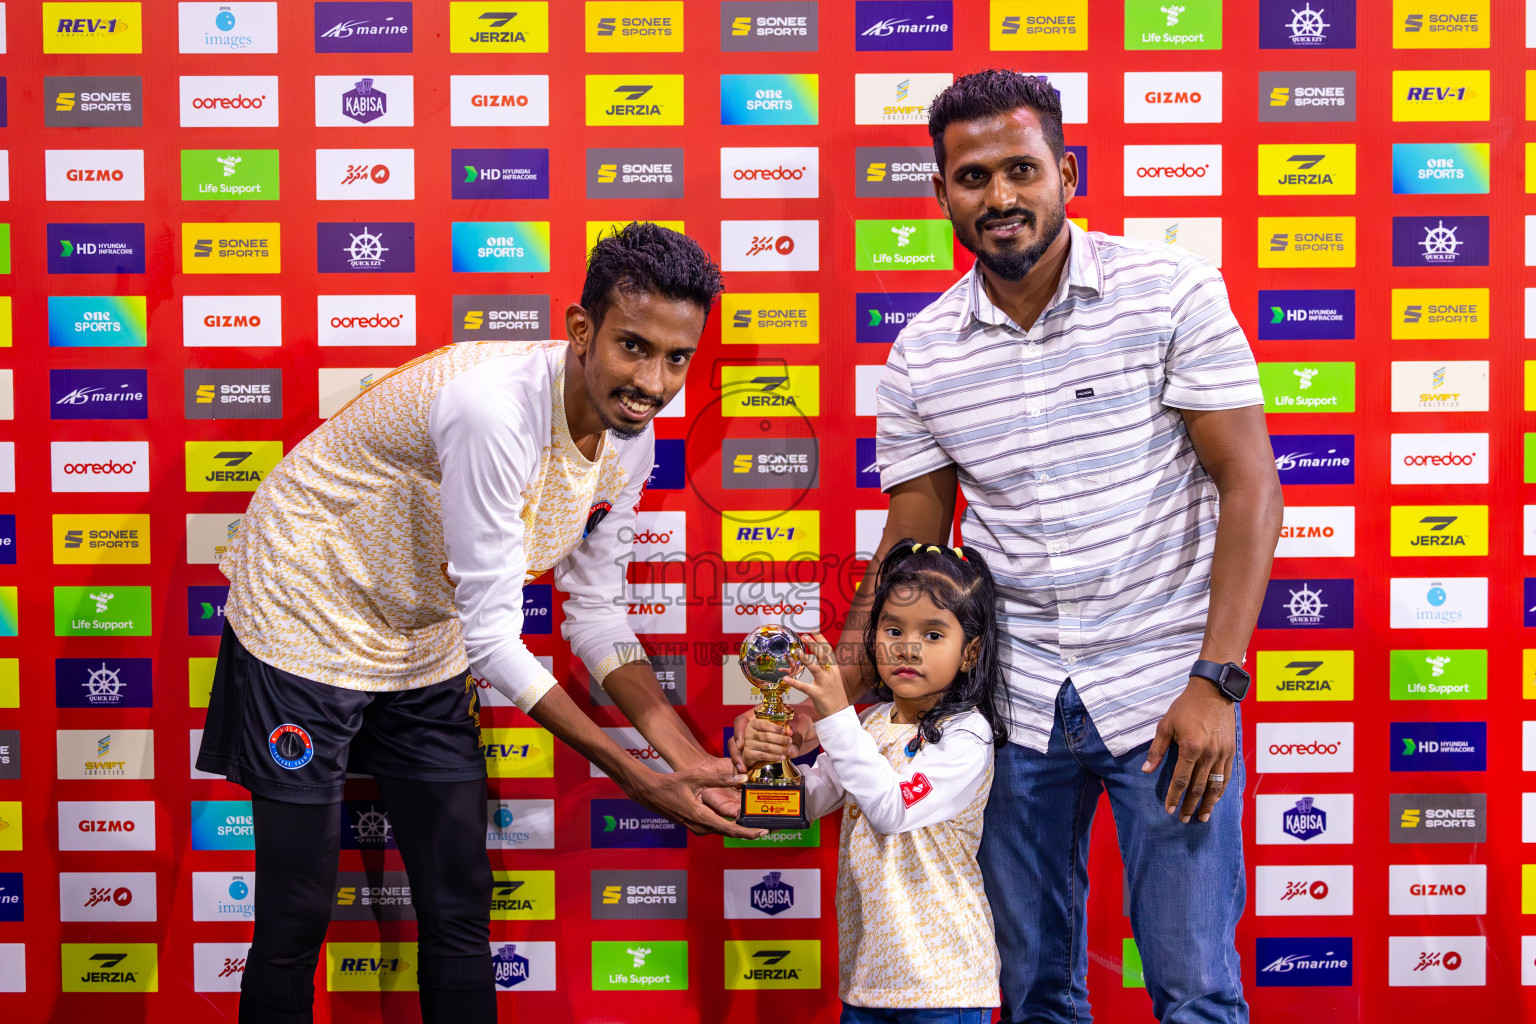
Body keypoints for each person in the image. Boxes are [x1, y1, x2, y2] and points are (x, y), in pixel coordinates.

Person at [734, 71, 1283, 1023]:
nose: (999, 197)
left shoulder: (1170, 291)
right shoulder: (923, 354)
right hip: (1014, 708)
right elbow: (909, 549)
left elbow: (1251, 484)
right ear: (940, 192)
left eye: (1021, 170)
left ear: (1067, 172)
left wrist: (1217, 681)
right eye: (973, 175)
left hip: (1167, 692)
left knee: (1195, 992)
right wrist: (826, 700)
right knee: (1034, 993)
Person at [198, 223, 758, 1024]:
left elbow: (594, 610)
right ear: (579, 329)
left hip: (423, 634)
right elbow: (495, 637)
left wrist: (684, 757)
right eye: (633, 346)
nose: (652, 381)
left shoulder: (631, 437)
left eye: (676, 357)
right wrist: (632, 774)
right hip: (306, 614)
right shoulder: (493, 405)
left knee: (459, 896)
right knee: (297, 905)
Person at [742, 542, 1009, 1024]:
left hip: (945, 984)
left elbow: (891, 810)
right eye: (893, 629)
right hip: (868, 981)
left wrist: (834, 713)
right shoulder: (869, 724)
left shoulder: (967, 734)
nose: (907, 647)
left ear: (969, 652)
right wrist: (764, 770)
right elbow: (811, 799)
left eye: (932, 634)